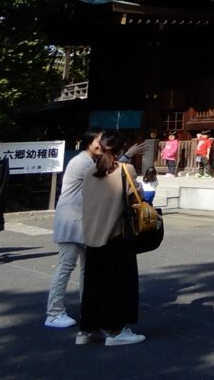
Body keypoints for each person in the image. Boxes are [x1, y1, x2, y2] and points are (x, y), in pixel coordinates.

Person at [77, 131, 145, 346]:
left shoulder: (89, 172)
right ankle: (115, 331)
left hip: (92, 233)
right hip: (116, 233)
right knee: (117, 283)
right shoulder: (126, 170)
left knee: (93, 283)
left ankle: (88, 330)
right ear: (121, 149)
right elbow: (137, 197)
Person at [45, 129, 102, 330]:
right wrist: (126, 156)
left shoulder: (88, 161)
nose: (102, 144)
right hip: (71, 220)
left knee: (87, 269)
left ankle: (87, 308)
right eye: (99, 140)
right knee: (66, 266)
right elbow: (107, 177)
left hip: (81, 221)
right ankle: (54, 313)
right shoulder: (83, 163)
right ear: (88, 142)